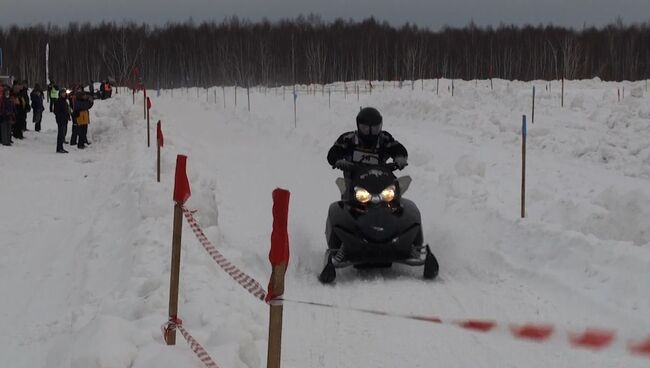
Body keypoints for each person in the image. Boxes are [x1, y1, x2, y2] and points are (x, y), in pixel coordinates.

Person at [327, 107, 408, 198]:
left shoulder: (384, 138)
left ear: (380, 126)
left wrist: (400, 158)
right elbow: (334, 152)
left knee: (399, 202)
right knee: (342, 208)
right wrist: (338, 161)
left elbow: (397, 148)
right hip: (354, 186)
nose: (370, 132)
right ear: (358, 126)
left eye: (375, 129)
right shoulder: (348, 139)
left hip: (382, 183)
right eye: (365, 128)